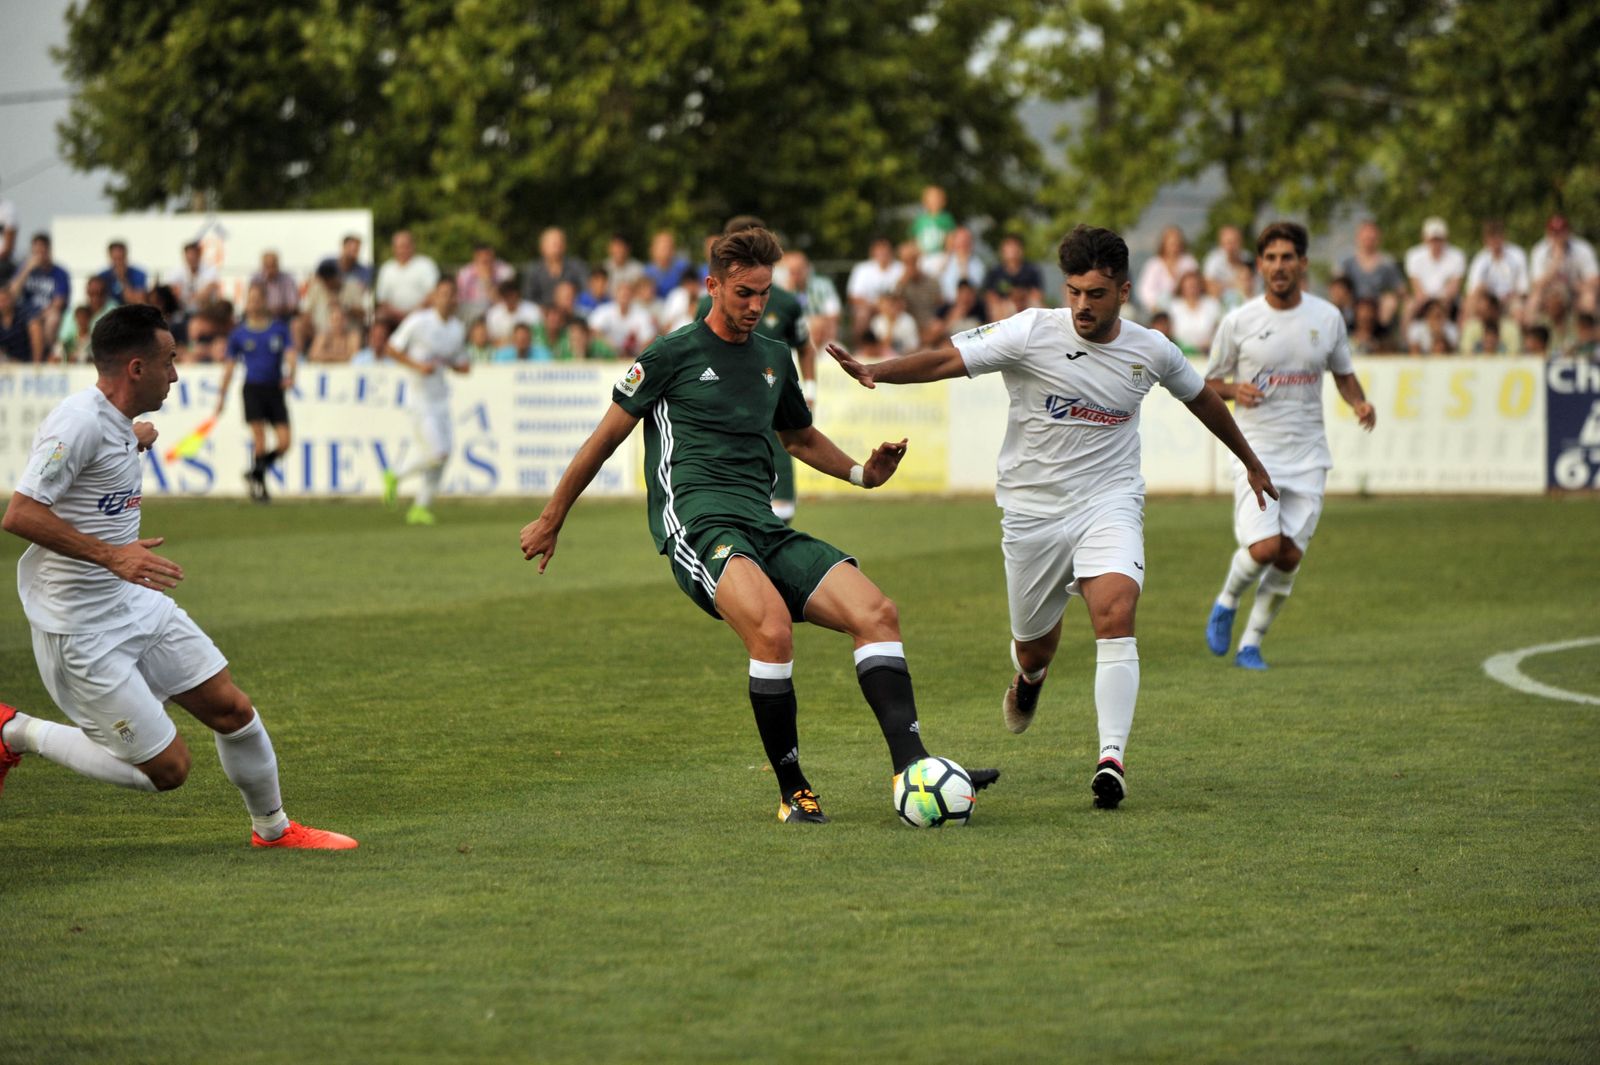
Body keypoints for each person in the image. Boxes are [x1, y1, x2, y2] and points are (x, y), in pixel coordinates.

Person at [519, 227, 1000, 824]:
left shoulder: (774, 358)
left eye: (764, 294)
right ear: (712, 285)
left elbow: (797, 437)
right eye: (743, 293)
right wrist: (551, 517)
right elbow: (604, 438)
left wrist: (861, 473)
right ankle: (793, 789)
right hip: (696, 523)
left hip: (762, 524)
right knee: (771, 629)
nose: (755, 306)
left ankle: (915, 767)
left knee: (877, 613)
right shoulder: (670, 355)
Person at [826, 223, 1277, 810]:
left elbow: (1202, 397)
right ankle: (1031, 677)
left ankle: (1111, 759)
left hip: (1108, 500)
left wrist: (1249, 461)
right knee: (1034, 647)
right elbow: (948, 360)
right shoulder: (1032, 331)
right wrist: (875, 371)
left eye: (1095, 293)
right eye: (1073, 291)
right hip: (1031, 513)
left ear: (1123, 291)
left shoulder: (1152, 349)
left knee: (1115, 610)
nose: (1082, 305)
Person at [0, 303, 355, 849]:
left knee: (232, 709)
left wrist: (132, 436)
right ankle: (14, 730)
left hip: (132, 601)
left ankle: (273, 831)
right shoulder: (77, 423)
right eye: (169, 361)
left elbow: (103, 457)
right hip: (78, 628)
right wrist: (112, 555)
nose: (177, 373)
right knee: (167, 771)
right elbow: (19, 514)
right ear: (136, 368)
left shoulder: (116, 424)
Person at [1201, 222, 1375, 671]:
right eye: (1271, 258)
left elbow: (1343, 372)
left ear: (1302, 263)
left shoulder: (1327, 317)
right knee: (1264, 548)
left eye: (1287, 257)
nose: (1279, 266)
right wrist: (1235, 389)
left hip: (1309, 455)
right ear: (1259, 265)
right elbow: (1208, 384)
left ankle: (1251, 645)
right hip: (1255, 452)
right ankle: (1226, 600)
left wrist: (1359, 402)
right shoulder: (1239, 321)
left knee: (1290, 555)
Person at [694, 215, 818, 523]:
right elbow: (697, 350)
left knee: (783, 447)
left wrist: (811, 389)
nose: (755, 305)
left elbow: (804, 346)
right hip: (726, 399)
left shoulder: (788, 303)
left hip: (772, 395)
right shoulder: (705, 304)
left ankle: (779, 515)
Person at [381, 278, 469, 525]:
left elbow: (463, 364)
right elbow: (391, 348)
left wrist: (455, 364)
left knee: (444, 455)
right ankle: (395, 475)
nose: (447, 299)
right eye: (442, 293)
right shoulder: (419, 322)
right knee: (438, 453)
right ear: (434, 296)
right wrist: (418, 365)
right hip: (420, 399)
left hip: (441, 399)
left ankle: (420, 507)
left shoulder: (456, 329)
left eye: (451, 295)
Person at [214, 283, 298, 503]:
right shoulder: (239, 334)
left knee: (284, 442)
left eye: (257, 299)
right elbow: (230, 367)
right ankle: (260, 487)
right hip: (253, 388)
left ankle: (255, 472)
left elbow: (290, 353)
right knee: (259, 437)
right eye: (250, 300)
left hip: (275, 388)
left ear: (264, 301)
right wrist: (221, 396)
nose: (253, 304)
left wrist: (291, 374)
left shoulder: (278, 328)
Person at [9, 232, 71, 360]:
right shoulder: (25, 269)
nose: (40, 254)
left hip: (46, 313)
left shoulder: (59, 272)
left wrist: (41, 314)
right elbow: (12, 294)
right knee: (31, 322)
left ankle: (44, 356)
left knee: (51, 318)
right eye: (37, 250)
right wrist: (26, 270)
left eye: (43, 249)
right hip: (24, 313)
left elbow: (59, 302)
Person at [374, 230, 440, 327]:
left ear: (413, 246)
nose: (403, 250)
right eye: (399, 247)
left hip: (422, 315)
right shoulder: (386, 268)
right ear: (393, 248)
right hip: (393, 318)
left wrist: (412, 313)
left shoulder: (425, 264)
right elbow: (382, 300)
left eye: (406, 246)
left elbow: (433, 294)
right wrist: (399, 315)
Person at [1135, 225, 1197, 318]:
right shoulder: (1154, 264)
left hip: (1185, 313)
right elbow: (1144, 290)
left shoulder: (1189, 262)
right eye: (1171, 243)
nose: (1174, 246)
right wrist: (1155, 306)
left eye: (1177, 243)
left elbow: (1195, 286)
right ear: (1164, 244)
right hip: (1158, 313)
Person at [96, 240, 148, 305]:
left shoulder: (138, 274)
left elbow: (139, 301)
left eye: (120, 259)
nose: (118, 263)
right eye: (115, 259)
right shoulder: (102, 276)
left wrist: (122, 279)